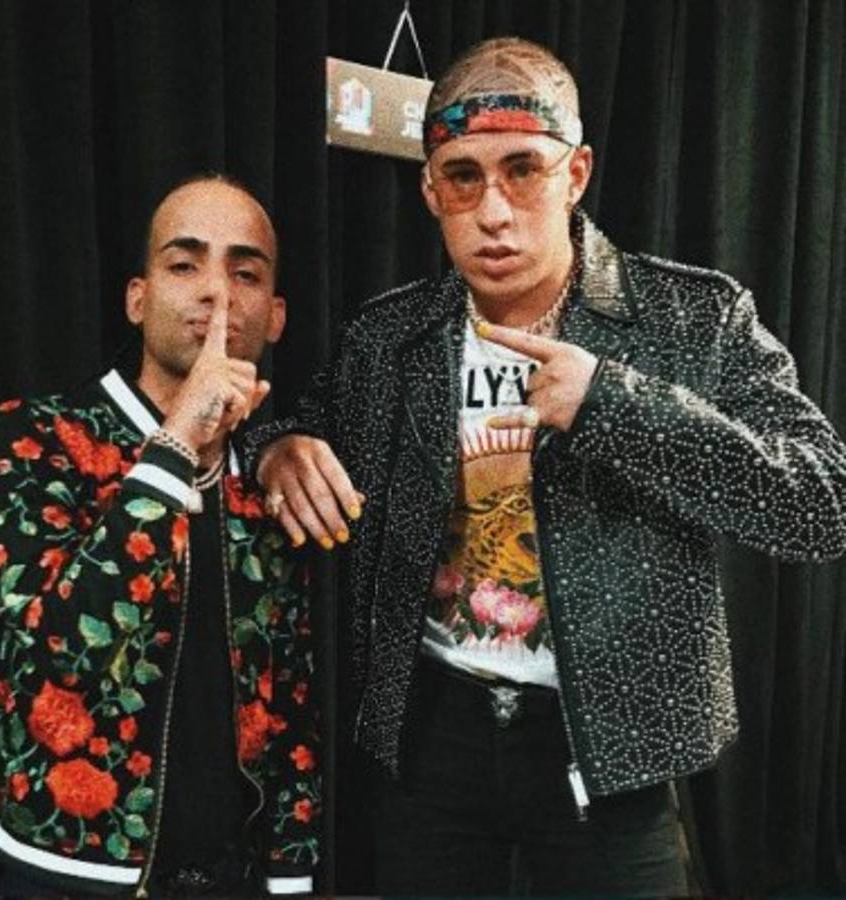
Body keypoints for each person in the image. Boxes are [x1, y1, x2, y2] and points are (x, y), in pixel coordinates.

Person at [244, 36, 846, 895]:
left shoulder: (689, 318)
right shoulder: (389, 336)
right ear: (431, 191)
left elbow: (821, 503)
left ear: (577, 173)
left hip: (614, 744)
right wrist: (277, 448)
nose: (493, 211)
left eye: (523, 169)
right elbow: (296, 425)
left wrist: (614, 403)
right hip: (431, 734)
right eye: (463, 177)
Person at [0, 175, 320, 897]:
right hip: (71, 875)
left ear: (276, 316)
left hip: (232, 878)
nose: (217, 293)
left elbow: (289, 701)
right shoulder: (38, 438)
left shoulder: (270, 477)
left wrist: (291, 877)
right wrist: (177, 442)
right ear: (138, 298)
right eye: (185, 264)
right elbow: (63, 653)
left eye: (246, 273)